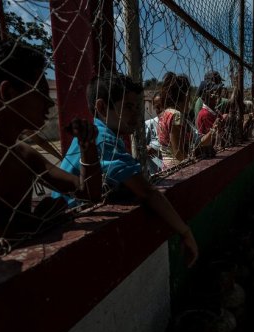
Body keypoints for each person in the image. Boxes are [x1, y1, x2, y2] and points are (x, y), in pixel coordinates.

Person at [0, 40, 102, 240]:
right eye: (41, 91)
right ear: (8, 92)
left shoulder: (22, 153)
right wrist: (43, 216)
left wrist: (88, 147)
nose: (50, 102)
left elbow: (89, 193)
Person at [55, 73, 198, 267]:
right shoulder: (102, 140)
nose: (136, 114)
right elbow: (147, 192)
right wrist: (185, 231)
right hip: (66, 221)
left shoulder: (102, 134)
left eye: (137, 107)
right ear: (102, 107)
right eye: (129, 107)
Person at [158, 73, 192, 162]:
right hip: (177, 165)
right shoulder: (176, 115)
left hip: (166, 164)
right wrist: (192, 162)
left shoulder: (165, 113)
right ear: (186, 95)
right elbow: (178, 152)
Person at [196, 81, 225, 157]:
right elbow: (214, 136)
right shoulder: (205, 114)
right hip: (209, 152)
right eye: (212, 92)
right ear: (205, 96)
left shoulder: (214, 111)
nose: (216, 95)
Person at [144, 92, 163, 174]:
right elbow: (140, 148)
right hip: (156, 174)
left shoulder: (173, 125)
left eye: (163, 106)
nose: (161, 110)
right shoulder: (149, 124)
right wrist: (162, 165)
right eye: (157, 107)